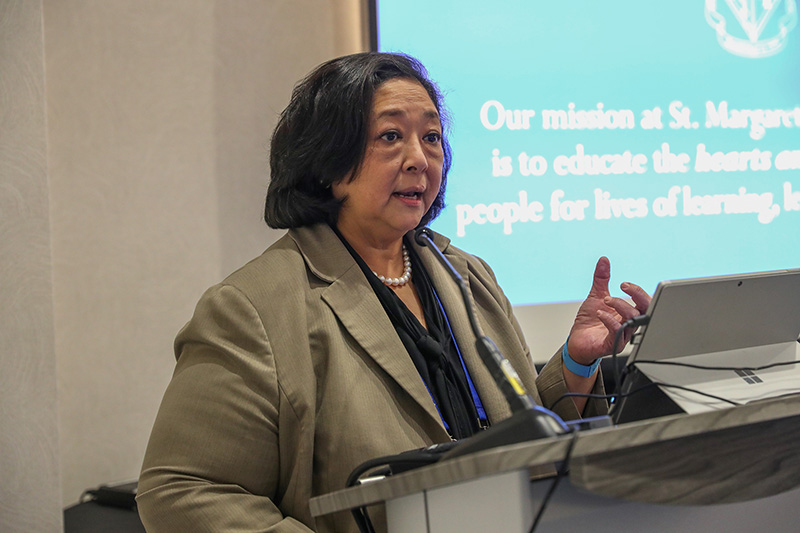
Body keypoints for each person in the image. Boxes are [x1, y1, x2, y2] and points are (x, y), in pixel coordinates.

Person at [137, 52, 650, 532]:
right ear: (331, 163)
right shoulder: (253, 308)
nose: (419, 158)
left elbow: (523, 440)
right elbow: (181, 489)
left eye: (431, 137)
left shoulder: (466, 275)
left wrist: (578, 363)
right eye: (390, 136)